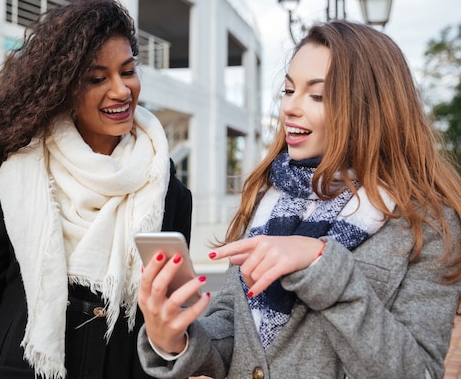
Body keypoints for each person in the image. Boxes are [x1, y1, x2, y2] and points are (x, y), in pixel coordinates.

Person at [0, 0, 192, 379]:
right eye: (97, 78)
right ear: (62, 87)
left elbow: (168, 324)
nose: (121, 91)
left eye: (127, 71)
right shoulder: (11, 176)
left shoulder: (167, 191)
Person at [136, 20, 461, 379]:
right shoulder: (267, 196)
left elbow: (417, 372)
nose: (290, 107)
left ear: (370, 108)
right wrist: (176, 339)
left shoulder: (428, 223)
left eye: (317, 95)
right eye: (289, 90)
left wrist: (321, 266)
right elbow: (234, 331)